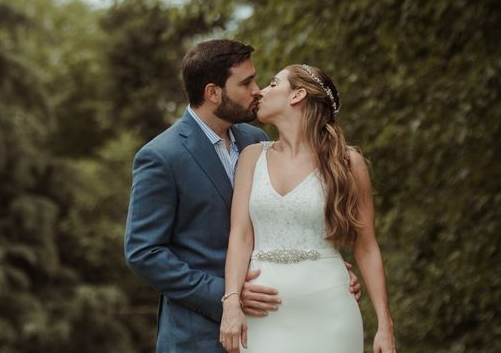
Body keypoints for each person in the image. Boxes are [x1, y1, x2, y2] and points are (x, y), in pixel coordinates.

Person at [125, 41, 361, 352]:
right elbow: (144, 252)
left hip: (272, 326)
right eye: (246, 83)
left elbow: (277, 219)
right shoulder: (161, 156)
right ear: (213, 93)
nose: (257, 91)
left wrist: (319, 267)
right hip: (197, 335)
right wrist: (227, 294)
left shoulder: (256, 141)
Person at [218, 64, 396, 353]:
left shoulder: (347, 163)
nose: (260, 92)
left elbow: (366, 247)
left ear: (298, 95)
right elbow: (240, 236)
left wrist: (385, 325)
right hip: (263, 312)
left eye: (273, 84)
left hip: (330, 308)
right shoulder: (252, 157)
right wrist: (232, 301)